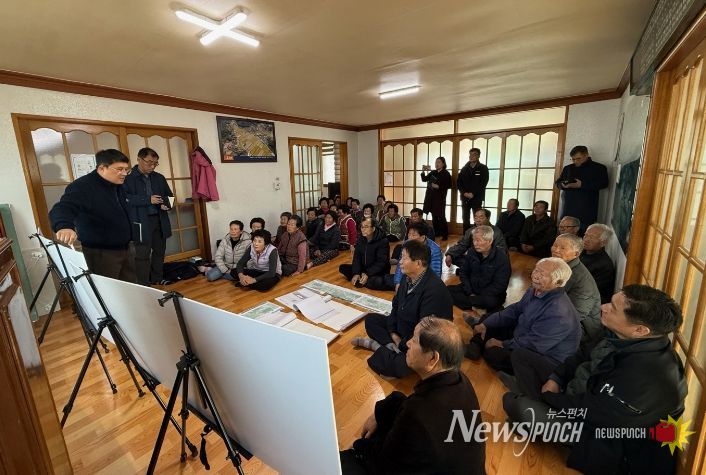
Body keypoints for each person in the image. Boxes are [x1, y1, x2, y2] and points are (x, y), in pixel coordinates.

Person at [503, 285, 687, 474]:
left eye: (613, 308)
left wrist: (550, 398)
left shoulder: (651, 378)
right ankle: (534, 415)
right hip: (581, 392)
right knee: (521, 356)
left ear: (640, 330)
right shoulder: (621, 335)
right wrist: (556, 378)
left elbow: (591, 412)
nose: (603, 307)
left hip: (603, 435)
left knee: (514, 403)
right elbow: (581, 355)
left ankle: (533, 414)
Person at [340, 317, 485, 475]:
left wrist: (358, 448)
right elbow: (405, 405)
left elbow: (384, 465)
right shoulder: (460, 380)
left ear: (432, 358)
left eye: (415, 340)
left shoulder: (419, 413)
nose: (408, 343)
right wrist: (378, 413)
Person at [352, 240, 453, 378]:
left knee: (399, 366)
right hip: (403, 328)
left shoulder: (434, 290)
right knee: (370, 319)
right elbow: (395, 306)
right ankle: (390, 348)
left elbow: (424, 333)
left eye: (404, 258)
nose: (399, 262)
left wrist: (403, 344)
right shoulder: (407, 278)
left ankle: (383, 348)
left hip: (421, 341)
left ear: (418, 263)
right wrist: (393, 333)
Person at [465, 258, 581, 373]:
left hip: (543, 357)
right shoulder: (534, 289)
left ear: (558, 283)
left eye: (542, 274)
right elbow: (515, 310)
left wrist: (503, 344)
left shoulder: (558, 313)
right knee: (490, 320)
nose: (535, 276)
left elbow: (534, 344)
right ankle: (476, 345)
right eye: (536, 270)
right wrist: (486, 324)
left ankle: (479, 344)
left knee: (494, 354)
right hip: (524, 333)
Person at [49, 149, 136, 282]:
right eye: (119, 169)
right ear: (102, 168)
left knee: (130, 286)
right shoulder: (83, 186)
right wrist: (64, 226)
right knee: (107, 290)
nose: (124, 173)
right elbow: (63, 207)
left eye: (126, 169)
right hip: (101, 252)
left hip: (126, 247)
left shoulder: (118, 184)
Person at [123, 147, 173, 286]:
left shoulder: (159, 178)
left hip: (159, 219)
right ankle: (144, 283)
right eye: (149, 162)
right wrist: (147, 200)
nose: (152, 166)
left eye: (155, 163)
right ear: (139, 159)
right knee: (142, 254)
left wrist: (167, 204)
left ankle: (157, 278)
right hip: (140, 221)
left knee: (159, 251)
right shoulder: (128, 178)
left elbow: (170, 196)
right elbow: (124, 198)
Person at [447, 225, 511, 312]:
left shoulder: (502, 258)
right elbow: (463, 272)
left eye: (478, 240)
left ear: (490, 241)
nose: (475, 243)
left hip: (489, 294)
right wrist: (469, 291)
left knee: (490, 302)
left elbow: (500, 285)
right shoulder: (471, 252)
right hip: (472, 288)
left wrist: (478, 296)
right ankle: (474, 305)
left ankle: (470, 304)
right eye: (473, 240)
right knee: (446, 290)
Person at [551, 234, 602, 339]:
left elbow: (575, 315)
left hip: (581, 327)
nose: (556, 250)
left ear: (576, 254)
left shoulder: (582, 280)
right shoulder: (559, 264)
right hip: (556, 312)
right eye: (555, 245)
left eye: (562, 248)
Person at [556, 145, 609, 233]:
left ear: (586, 155)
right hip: (568, 209)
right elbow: (557, 183)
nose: (575, 161)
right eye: (573, 159)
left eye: (578, 158)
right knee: (565, 237)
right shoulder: (568, 168)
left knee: (584, 237)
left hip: (586, 211)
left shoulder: (599, 168)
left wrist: (582, 185)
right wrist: (562, 185)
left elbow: (604, 184)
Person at [339, 217, 390, 289]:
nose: (363, 229)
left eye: (366, 227)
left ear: (373, 228)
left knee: (378, 281)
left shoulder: (383, 241)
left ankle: (364, 280)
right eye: (362, 227)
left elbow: (381, 262)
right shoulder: (360, 239)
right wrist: (356, 273)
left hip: (377, 271)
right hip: (364, 269)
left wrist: (367, 273)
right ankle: (362, 279)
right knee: (342, 267)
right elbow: (357, 258)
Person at [391, 221, 442, 287]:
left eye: (413, 235)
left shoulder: (434, 249)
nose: (410, 238)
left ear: (422, 237)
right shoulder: (406, 244)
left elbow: (435, 272)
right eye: (409, 234)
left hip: (424, 280)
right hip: (408, 276)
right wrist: (397, 282)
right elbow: (400, 265)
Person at [580, 223, 616, 304]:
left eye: (592, 237)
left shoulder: (604, 265)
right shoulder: (582, 251)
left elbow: (588, 290)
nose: (586, 239)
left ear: (603, 243)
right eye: (586, 235)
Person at [457, 147, 489, 233]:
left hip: (477, 198)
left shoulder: (483, 168)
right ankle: (466, 236)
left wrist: (473, 193)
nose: (471, 156)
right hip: (465, 198)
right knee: (465, 218)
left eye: (474, 154)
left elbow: (483, 183)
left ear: (478, 156)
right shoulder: (464, 168)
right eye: (470, 155)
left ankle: (478, 235)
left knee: (478, 218)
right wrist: (464, 193)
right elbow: (459, 183)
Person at [420, 156, 451, 240]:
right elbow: (424, 179)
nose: (437, 164)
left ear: (443, 164)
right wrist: (423, 171)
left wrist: (438, 186)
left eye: (439, 162)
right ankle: (437, 233)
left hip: (440, 198)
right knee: (434, 216)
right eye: (436, 162)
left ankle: (445, 235)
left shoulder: (446, 173)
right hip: (431, 197)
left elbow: (449, 185)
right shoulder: (433, 172)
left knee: (441, 216)